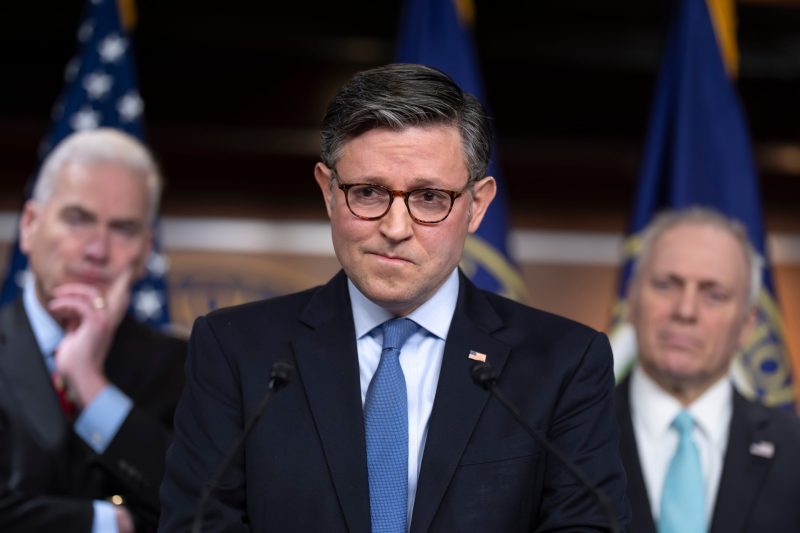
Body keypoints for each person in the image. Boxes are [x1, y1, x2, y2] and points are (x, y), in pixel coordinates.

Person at [159, 63, 629, 532]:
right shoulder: (235, 349)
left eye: (429, 198)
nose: (395, 228)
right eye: (368, 192)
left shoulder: (564, 362)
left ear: (477, 206)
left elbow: (586, 526)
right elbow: (197, 524)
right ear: (328, 191)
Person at [0, 128, 187, 533]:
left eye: (123, 229)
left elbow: (199, 504)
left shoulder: (186, 367)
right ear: (29, 225)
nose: (97, 250)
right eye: (77, 219)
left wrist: (90, 384)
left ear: (145, 252)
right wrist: (106, 522)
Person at [614, 207, 800, 533]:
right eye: (666, 285)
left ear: (747, 324)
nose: (686, 310)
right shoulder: (564, 438)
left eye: (714, 295)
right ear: (632, 299)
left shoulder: (793, 449)